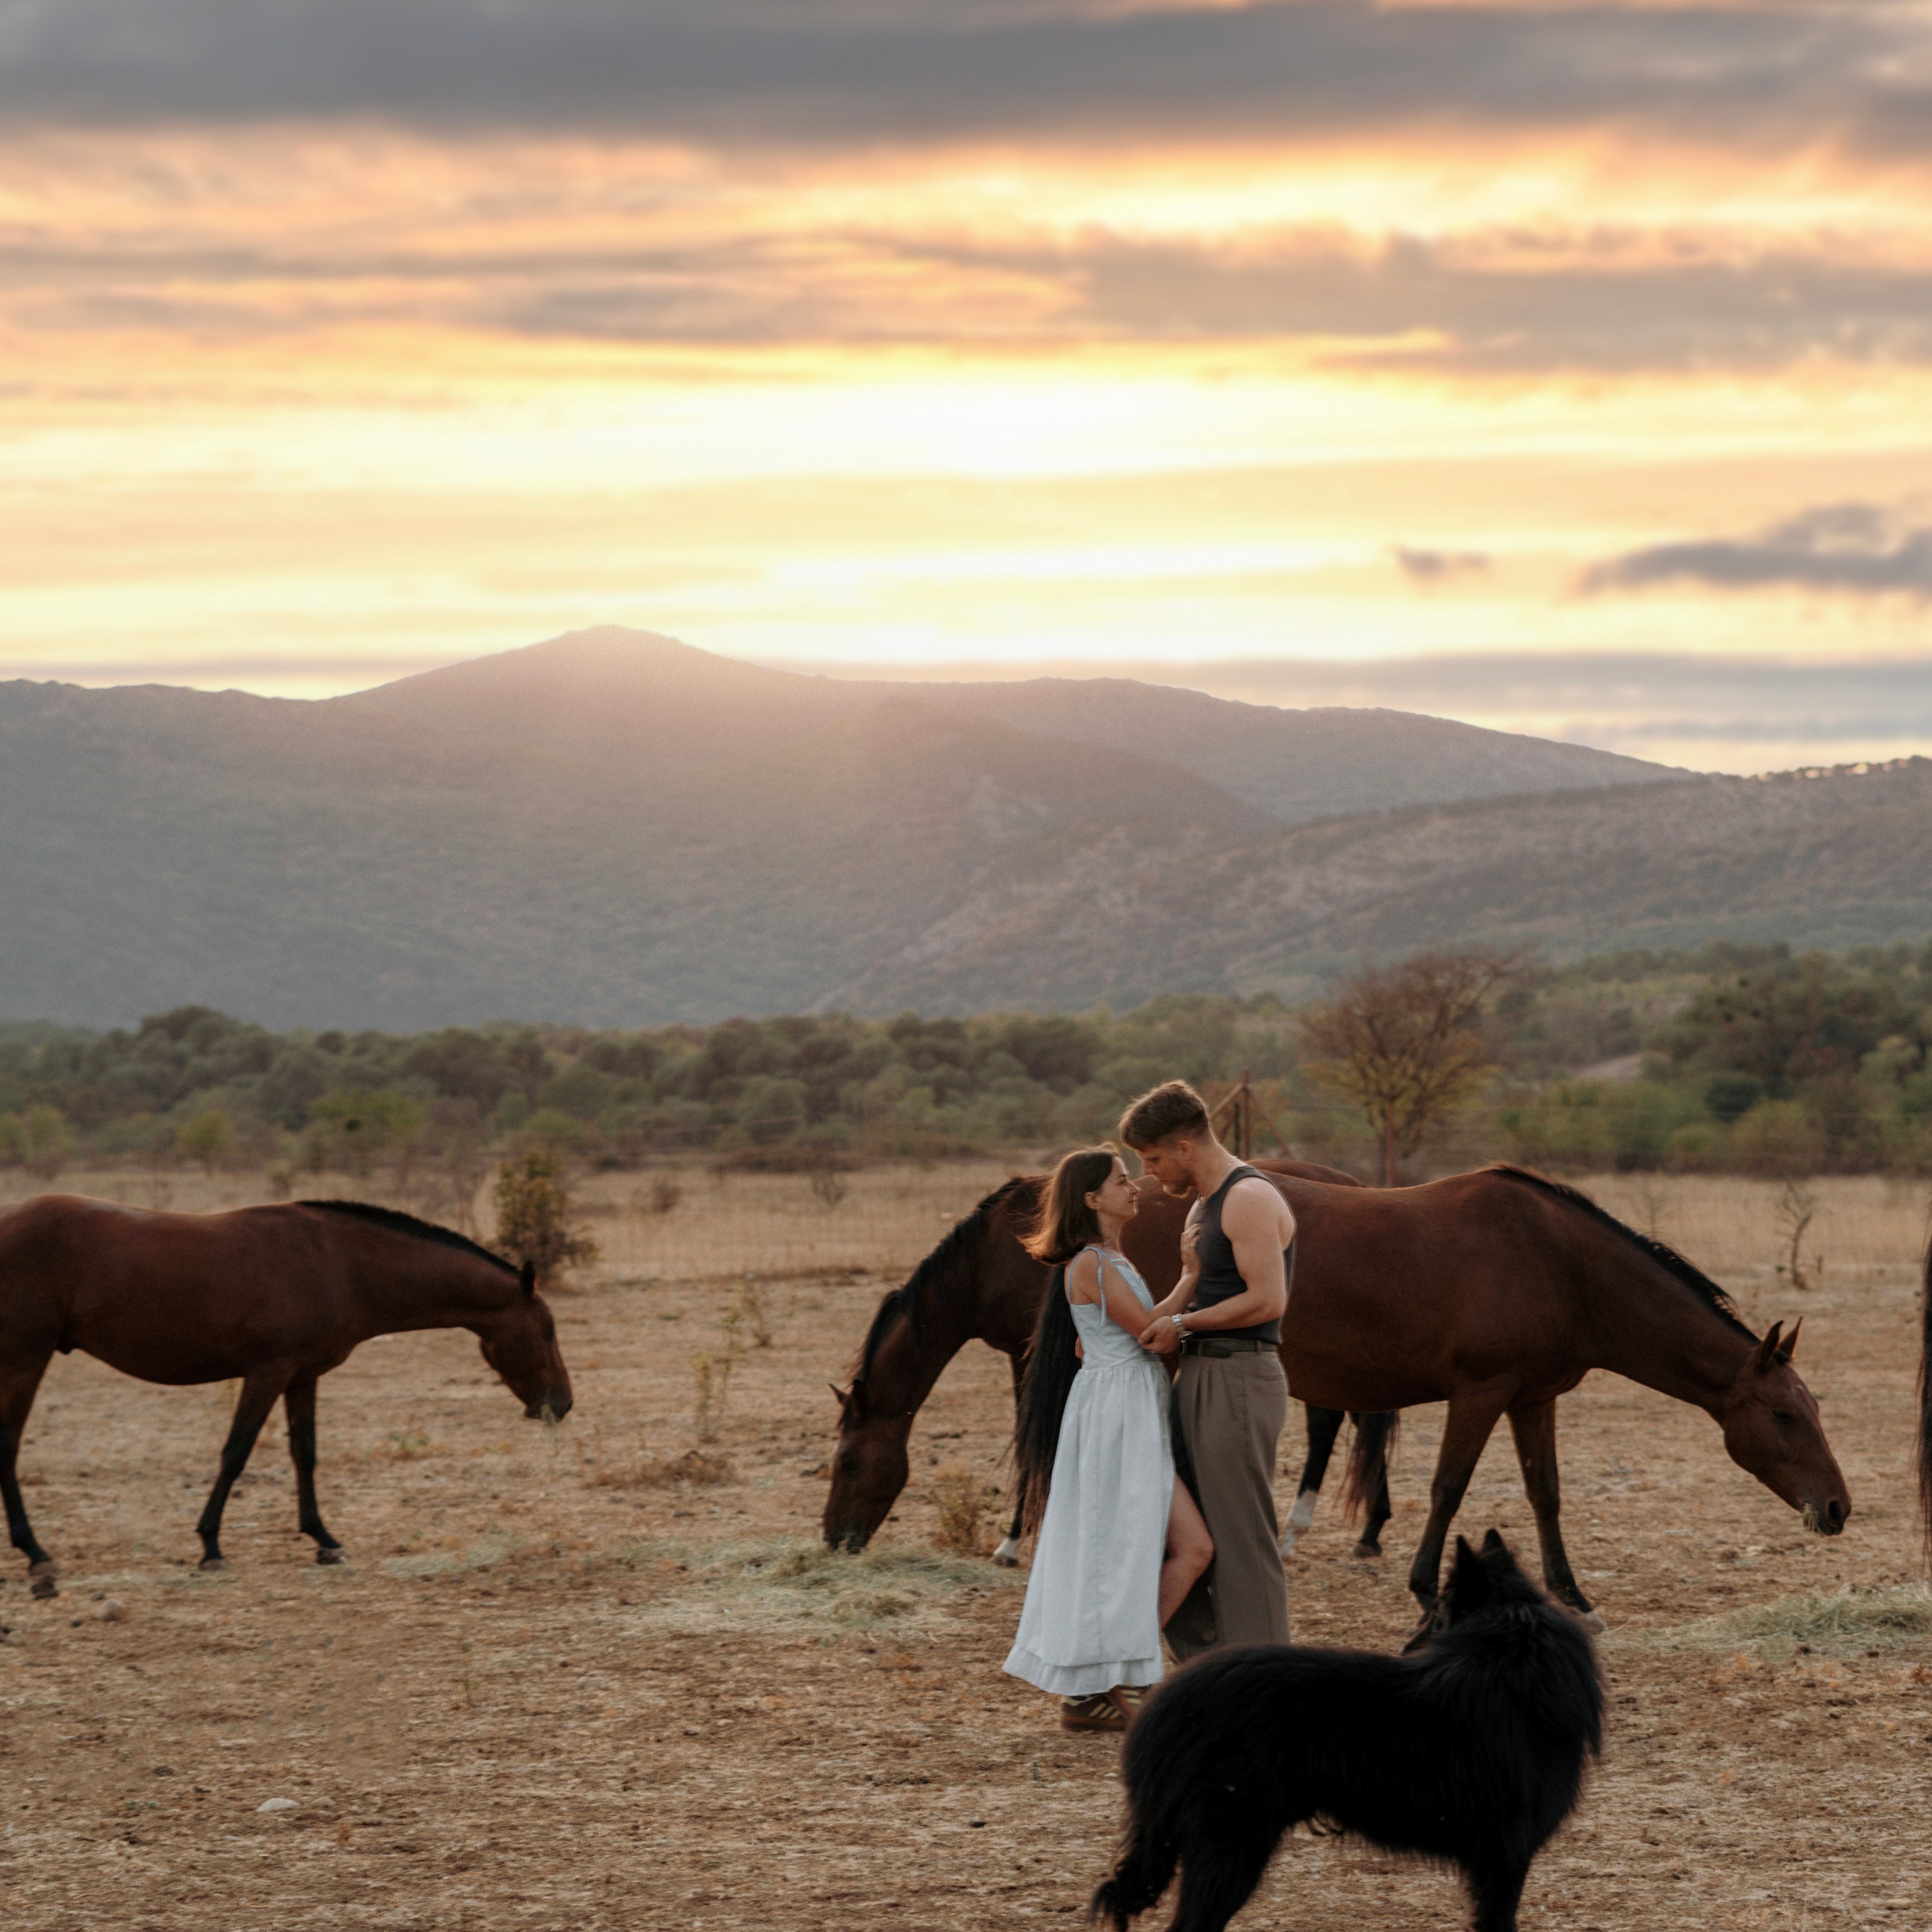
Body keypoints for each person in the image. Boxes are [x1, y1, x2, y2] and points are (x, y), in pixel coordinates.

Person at [1004, 1146, 1214, 1733]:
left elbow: (1105, 1336)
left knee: (1179, 1546)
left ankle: (1100, 1686)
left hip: (1126, 1404)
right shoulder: (1093, 1263)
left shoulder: (1106, 1263)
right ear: (1093, 1199)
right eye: (1122, 1181)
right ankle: (1111, 1683)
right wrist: (1193, 1276)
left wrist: (1099, 1341)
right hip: (1120, 1415)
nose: (1135, 1187)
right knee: (1169, 1546)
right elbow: (1153, 1337)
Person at [1124, 1081, 1295, 1660]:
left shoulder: (1247, 1198)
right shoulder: (1203, 1202)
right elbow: (1190, 1301)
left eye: (1152, 1160)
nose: (1149, 1174)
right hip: (1200, 1375)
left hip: (1240, 1377)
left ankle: (1264, 1677)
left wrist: (1186, 1328)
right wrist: (1135, 1331)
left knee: (1242, 1538)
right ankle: (1208, 1667)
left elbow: (1268, 1301)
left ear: (1184, 1147)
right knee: (1182, 1529)